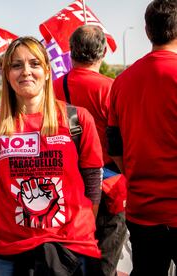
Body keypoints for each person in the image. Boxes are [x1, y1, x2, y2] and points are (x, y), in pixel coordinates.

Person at [0, 36, 104, 276]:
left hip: (72, 248)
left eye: (34, 64)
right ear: (7, 74)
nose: (26, 72)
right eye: (16, 65)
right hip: (8, 252)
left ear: (46, 70)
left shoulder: (78, 119)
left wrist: (79, 229)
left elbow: (93, 183)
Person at [107, 1, 177, 275]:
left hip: (142, 211)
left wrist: (134, 176)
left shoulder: (122, 81)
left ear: (147, 32)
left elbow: (115, 145)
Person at [53, 25, 127, 276]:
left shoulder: (51, 89)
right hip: (109, 183)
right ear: (104, 52)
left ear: (70, 52)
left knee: (69, 256)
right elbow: (123, 139)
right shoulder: (112, 88)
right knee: (106, 258)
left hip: (65, 183)